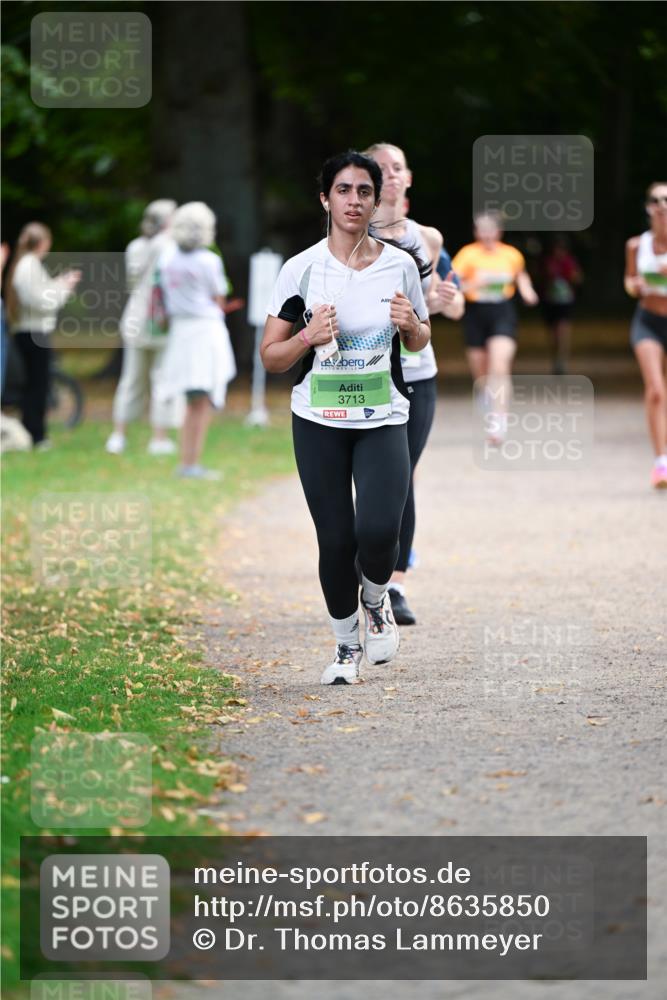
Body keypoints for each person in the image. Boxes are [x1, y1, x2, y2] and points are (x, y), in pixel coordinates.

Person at [261, 150, 431, 685]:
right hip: (318, 418)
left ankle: (376, 599)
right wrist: (307, 337)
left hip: (382, 414)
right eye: (343, 190)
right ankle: (343, 648)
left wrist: (411, 326)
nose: (354, 200)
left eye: (364, 191)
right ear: (325, 199)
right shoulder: (302, 269)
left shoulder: (400, 264)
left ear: (377, 199)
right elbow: (270, 355)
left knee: (379, 529)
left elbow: (423, 335)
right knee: (335, 539)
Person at [365, 142, 464, 626]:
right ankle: (366, 574)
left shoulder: (429, 237)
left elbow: (442, 302)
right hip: (362, 372)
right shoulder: (350, 232)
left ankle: (394, 586)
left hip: (418, 371)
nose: (390, 175)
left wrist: (443, 301)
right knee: (372, 478)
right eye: (380, 168)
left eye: (397, 167)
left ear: (409, 177)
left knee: (401, 476)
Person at [155, 201, 237, 479]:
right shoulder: (209, 261)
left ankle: (187, 460)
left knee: (192, 400)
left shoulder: (167, 259)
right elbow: (219, 298)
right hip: (204, 332)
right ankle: (190, 462)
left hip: (181, 333)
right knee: (201, 401)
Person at [106, 199, 185, 455]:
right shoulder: (170, 245)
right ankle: (159, 438)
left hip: (134, 317)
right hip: (159, 319)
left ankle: (118, 436)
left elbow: (131, 283)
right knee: (161, 378)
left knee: (131, 379)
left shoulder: (135, 246)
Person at [452, 212, 539, 445]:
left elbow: (520, 276)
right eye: (483, 230)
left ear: (499, 232)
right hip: (475, 313)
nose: (488, 235)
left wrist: (527, 290)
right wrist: (473, 284)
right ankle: (486, 397)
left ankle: (498, 422)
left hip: (502, 312)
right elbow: (453, 285)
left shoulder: (511, 255)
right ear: (476, 232)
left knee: (499, 367)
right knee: (481, 375)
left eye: (492, 230)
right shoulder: (468, 255)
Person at [5, 222, 81, 449]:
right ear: (43, 242)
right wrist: (64, 289)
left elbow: (42, 292)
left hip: (31, 331)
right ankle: (35, 434)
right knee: (37, 384)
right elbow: (41, 301)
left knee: (36, 383)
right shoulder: (28, 266)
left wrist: (60, 284)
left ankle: (33, 433)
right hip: (32, 332)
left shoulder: (28, 265)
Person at [624, 181, 667, 489]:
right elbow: (628, 282)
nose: (663, 205)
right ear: (649, 207)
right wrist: (636, 285)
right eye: (657, 200)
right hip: (648, 320)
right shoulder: (636, 245)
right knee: (655, 390)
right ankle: (661, 463)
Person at [538, 235, 583, 374]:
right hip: (550, 302)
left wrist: (571, 275)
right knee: (553, 334)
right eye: (557, 249)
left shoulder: (569, 262)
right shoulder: (547, 262)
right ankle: (555, 357)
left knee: (563, 331)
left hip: (565, 301)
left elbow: (578, 278)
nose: (559, 252)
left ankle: (562, 359)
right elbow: (539, 279)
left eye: (562, 249)